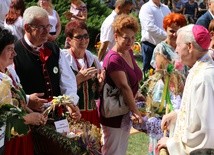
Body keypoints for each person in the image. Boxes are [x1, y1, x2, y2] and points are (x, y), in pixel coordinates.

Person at [157, 24, 214, 154]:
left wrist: (172, 144)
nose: (176, 50)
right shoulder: (198, 69)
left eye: (178, 45)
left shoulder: (204, 77)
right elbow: (197, 111)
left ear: (189, 47)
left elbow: (205, 131)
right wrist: (177, 114)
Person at [144, 12, 187, 155]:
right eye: (171, 31)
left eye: (178, 31)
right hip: (165, 94)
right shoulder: (160, 48)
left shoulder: (185, 48)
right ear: (166, 29)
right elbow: (160, 73)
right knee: (162, 128)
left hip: (183, 92)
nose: (174, 34)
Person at [0, 29, 47, 155]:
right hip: (8, 144)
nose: (14, 53)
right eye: (10, 49)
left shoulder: (9, 73)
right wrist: (29, 119)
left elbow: (17, 103)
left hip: (22, 139)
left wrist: (35, 114)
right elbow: (3, 117)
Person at [100, 14, 143, 155]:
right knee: (112, 151)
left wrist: (138, 94)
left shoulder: (128, 51)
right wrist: (136, 111)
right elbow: (124, 87)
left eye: (132, 38)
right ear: (116, 36)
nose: (130, 41)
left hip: (125, 111)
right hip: (114, 114)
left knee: (121, 151)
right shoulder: (113, 59)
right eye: (126, 37)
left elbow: (133, 78)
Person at [61, 20, 105, 127]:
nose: (84, 40)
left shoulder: (93, 59)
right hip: (72, 114)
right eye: (79, 37)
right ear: (69, 40)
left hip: (91, 114)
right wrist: (78, 79)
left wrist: (100, 84)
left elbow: (96, 94)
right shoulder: (63, 59)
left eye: (86, 36)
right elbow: (58, 91)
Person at [139, 0, 171, 72]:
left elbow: (171, 23)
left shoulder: (166, 8)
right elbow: (150, 27)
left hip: (164, 46)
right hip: (151, 45)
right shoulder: (146, 8)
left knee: (164, 73)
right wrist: (167, 36)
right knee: (150, 74)